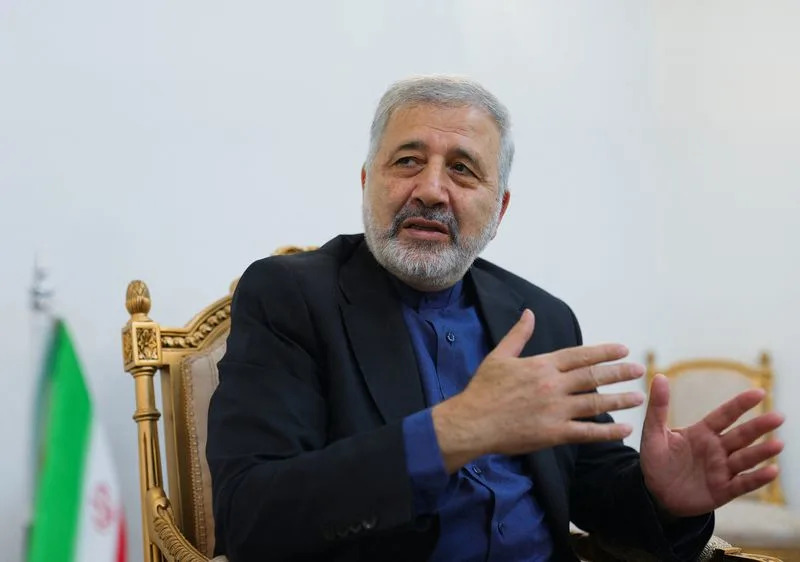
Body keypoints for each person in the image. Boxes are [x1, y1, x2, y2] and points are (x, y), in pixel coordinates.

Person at [207, 75, 784, 562]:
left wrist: (660, 497)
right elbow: (250, 518)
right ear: (366, 182)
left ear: (499, 208)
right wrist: (450, 433)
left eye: (463, 170)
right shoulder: (291, 297)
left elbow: (593, 484)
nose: (431, 190)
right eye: (407, 161)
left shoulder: (541, 318)